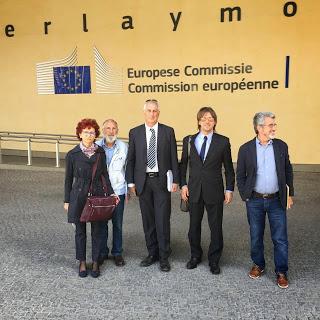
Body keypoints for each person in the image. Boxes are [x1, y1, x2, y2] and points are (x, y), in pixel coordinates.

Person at [236, 112, 294, 289]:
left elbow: (288, 170)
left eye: (274, 124)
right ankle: (258, 265)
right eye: (270, 125)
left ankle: (281, 271)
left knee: (280, 238)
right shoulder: (245, 149)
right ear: (259, 128)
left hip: (277, 200)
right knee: (256, 236)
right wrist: (245, 195)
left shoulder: (281, 146)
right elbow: (240, 175)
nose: (274, 127)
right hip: (254, 200)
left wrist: (290, 194)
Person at [126, 99, 179, 272]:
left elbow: (173, 158)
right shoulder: (135, 132)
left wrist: (176, 180)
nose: (152, 113)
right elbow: (131, 159)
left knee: (162, 219)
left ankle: (164, 257)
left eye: (155, 110)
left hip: (161, 182)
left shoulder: (168, 131)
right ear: (144, 112)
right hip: (143, 182)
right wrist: (131, 182)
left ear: (159, 112)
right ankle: (152, 253)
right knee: (148, 220)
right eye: (149, 110)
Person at [180, 107, 235, 274]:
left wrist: (229, 189)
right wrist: (183, 184)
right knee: (193, 227)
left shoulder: (223, 141)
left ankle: (214, 260)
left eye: (211, 118)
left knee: (215, 227)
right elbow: (183, 165)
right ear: (198, 121)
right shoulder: (188, 140)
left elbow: (229, 168)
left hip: (215, 190)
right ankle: (195, 255)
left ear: (215, 122)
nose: (207, 121)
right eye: (204, 118)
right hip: (194, 190)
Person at [64, 118, 114, 278]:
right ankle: (82, 262)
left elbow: (104, 174)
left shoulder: (100, 152)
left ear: (95, 134)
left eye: (92, 132)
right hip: (78, 196)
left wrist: (111, 193)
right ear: (80, 134)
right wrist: (67, 200)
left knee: (97, 230)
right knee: (80, 231)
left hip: (97, 194)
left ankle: (96, 262)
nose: (89, 135)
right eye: (86, 132)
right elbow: (68, 179)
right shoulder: (72, 154)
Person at [96, 119, 128, 267]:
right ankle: (102, 252)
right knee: (102, 224)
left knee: (118, 224)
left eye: (114, 128)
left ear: (117, 130)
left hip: (118, 190)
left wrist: (127, 189)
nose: (111, 131)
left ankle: (117, 253)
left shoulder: (124, 147)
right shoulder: (96, 147)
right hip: (101, 193)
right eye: (108, 128)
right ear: (103, 130)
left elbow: (128, 169)